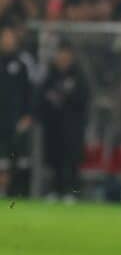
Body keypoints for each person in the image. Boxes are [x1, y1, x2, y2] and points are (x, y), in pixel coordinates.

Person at [38, 44, 89, 201]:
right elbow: (41, 97)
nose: (63, 58)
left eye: (66, 55)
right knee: (55, 160)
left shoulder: (78, 76)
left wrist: (66, 98)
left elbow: (84, 99)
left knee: (72, 160)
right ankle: (55, 190)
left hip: (73, 125)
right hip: (54, 125)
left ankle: (72, 193)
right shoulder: (50, 75)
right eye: (61, 55)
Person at [0, 26, 35, 197]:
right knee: (3, 159)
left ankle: (19, 192)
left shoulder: (23, 63)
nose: (7, 40)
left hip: (17, 120)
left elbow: (30, 92)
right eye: (4, 37)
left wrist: (28, 115)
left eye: (9, 36)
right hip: (1, 120)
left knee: (19, 159)